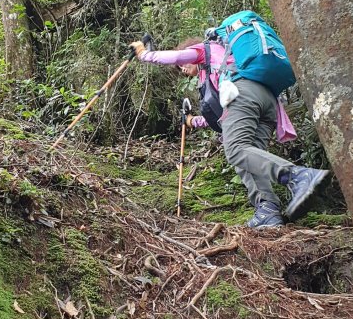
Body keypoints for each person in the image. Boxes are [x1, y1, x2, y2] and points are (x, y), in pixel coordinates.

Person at [129, 35, 330, 228]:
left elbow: (176, 56)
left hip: (244, 94)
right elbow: (223, 116)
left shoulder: (204, 49)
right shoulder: (216, 70)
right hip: (266, 102)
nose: (181, 68)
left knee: (235, 149)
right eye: (179, 68)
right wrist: (192, 121)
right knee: (249, 159)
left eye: (182, 65)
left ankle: (297, 176)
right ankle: (267, 211)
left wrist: (143, 54)